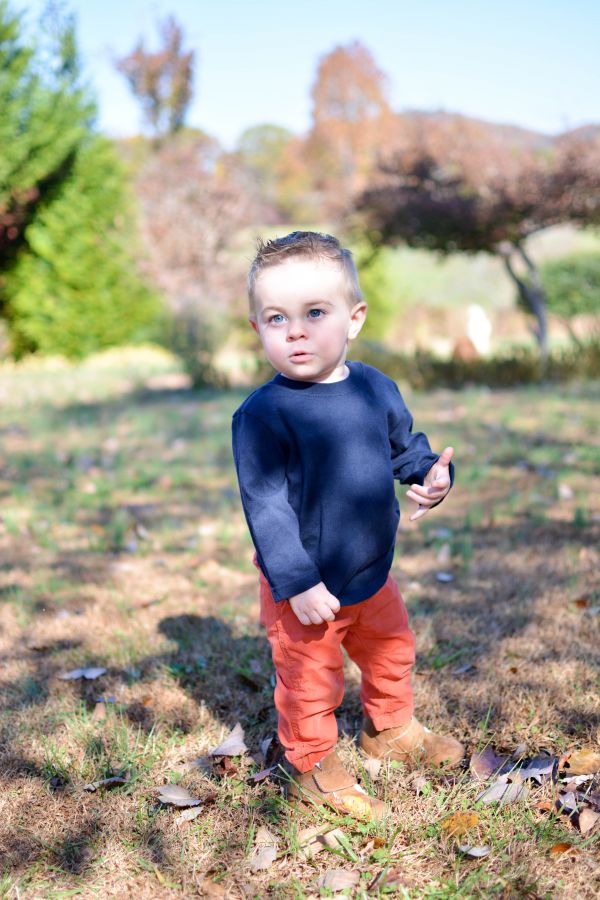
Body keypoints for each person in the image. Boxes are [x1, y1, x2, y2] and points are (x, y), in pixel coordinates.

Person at [232, 231, 464, 819]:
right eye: (277, 317)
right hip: (307, 585)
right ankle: (310, 765)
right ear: (258, 328)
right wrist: (297, 581)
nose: (297, 331)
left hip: (370, 569)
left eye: (315, 313)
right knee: (311, 679)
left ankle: (389, 731)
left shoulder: (374, 388)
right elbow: (265, 506)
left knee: (392, 653)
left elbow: (404, 451)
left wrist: (432, 477)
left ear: (353, 318)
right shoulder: (262, 415)